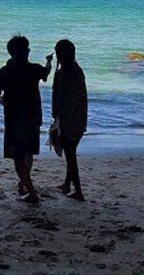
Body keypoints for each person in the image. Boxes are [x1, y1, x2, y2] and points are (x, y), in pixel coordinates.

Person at [0, 35, 52, 204]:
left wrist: (1, 100)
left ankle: (29, 190)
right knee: (28, 152)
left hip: (13, 118)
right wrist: (49, 61)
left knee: (18, 156)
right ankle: (26, 184)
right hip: (32, 117)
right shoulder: (34, 69)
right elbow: (46, 72)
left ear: (10, 53)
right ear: (27, 51)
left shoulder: (4, 71)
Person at [51, 39, 88, 201]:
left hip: (68, 120)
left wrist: (59, 120)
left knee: (70, 155)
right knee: (70, 152)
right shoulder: (77, 70)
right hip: (79, 118)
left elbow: (60, 97)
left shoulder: (64, 73)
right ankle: (67, 184)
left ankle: (78, 190)